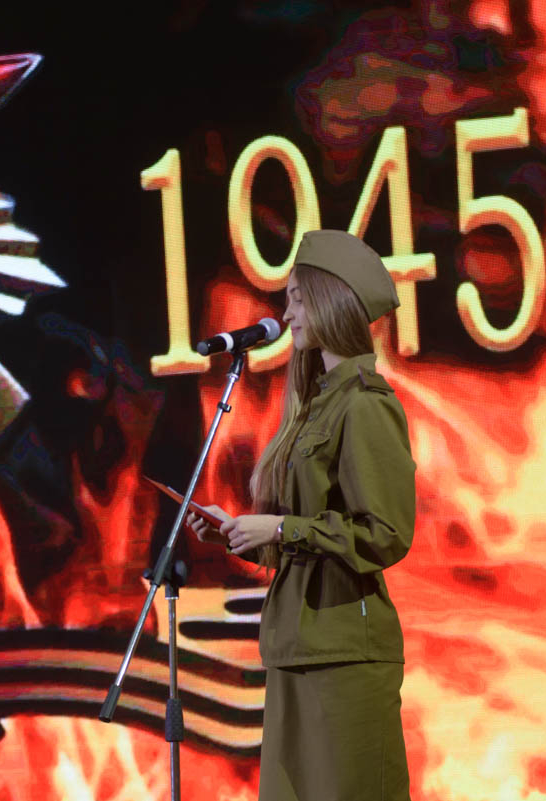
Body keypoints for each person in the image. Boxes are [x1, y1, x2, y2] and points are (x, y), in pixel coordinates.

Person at [187, 229, 415, 801]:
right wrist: (235, 533)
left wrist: (281, 527)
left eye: (296, 298)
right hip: (295, 648)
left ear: (329, 301)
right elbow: (305, 542)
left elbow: (385, 533)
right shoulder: (313, 407)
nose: (286, 314)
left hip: (344, 654)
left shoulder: (365, 403)